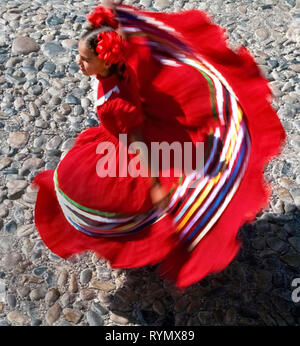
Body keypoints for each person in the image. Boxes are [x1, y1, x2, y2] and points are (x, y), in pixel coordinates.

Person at [33, 4, 285, 288]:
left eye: (85, 59)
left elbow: (136, 140)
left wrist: (153, 182)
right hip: (124, 135)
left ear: (104, 62)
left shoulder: (118, 103)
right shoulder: (117, 66)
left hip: (127, 148)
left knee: (100, 195)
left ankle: (149, 246)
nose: (79, 64)